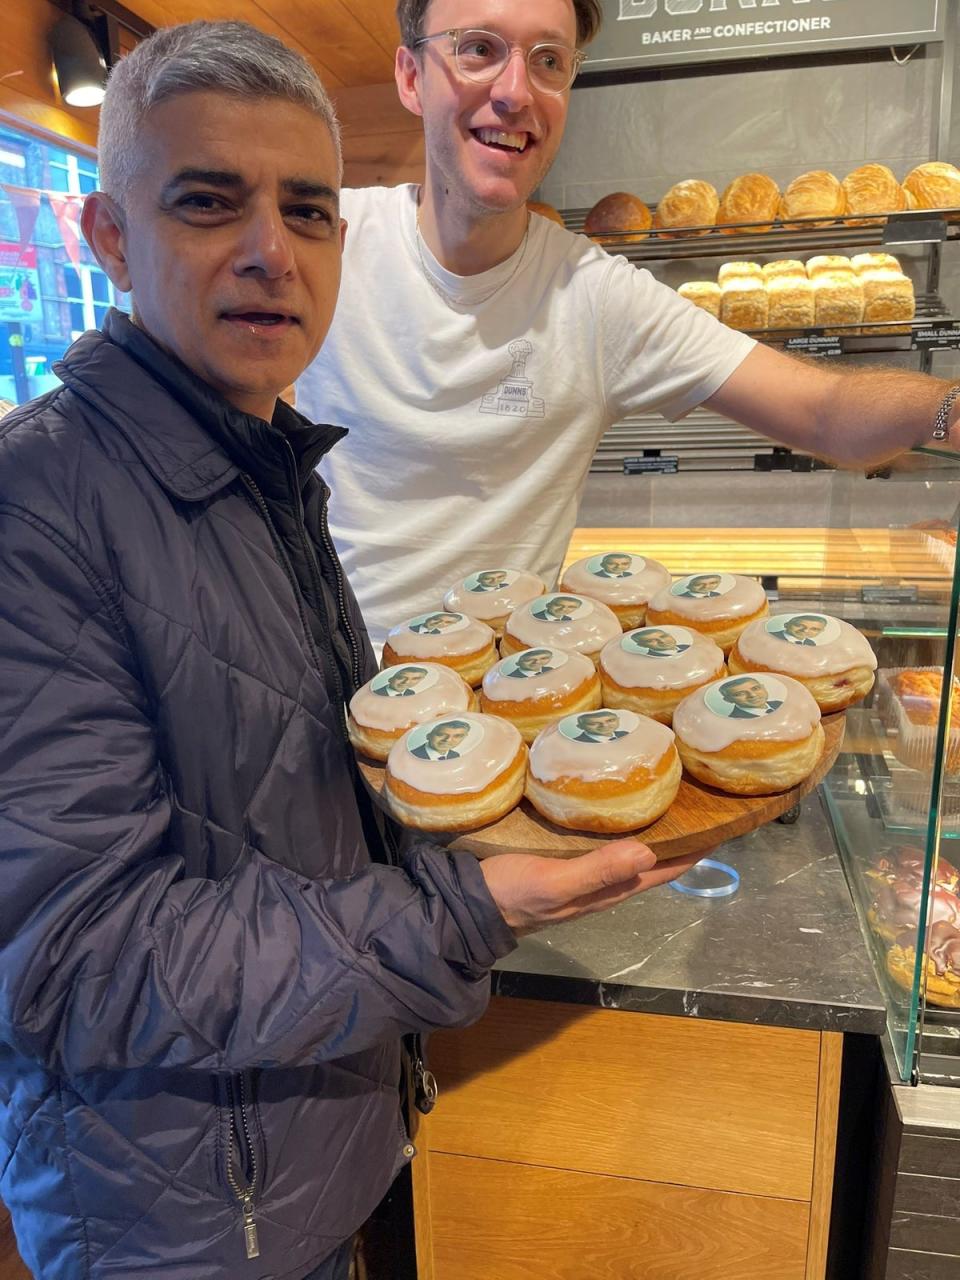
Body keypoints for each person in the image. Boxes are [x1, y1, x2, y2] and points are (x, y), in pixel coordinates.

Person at [0, 21, 703, 1280]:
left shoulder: (268, 461)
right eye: (210, 203)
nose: (273, 252)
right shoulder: (33, 510)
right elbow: (74, 958)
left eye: (309, 212)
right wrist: (457, 910)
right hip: (180, 1226)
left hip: (305, 1163)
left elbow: (279, 809)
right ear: (107, 237)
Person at [296, 0, 960, 651]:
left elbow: (824, 411)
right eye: (479, 50)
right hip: (321, 690)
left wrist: (949, 406)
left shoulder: (597, 295)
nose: (516, 92)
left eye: (549, 60)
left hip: (503, 715)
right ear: (412, 77)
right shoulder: (325, 241)